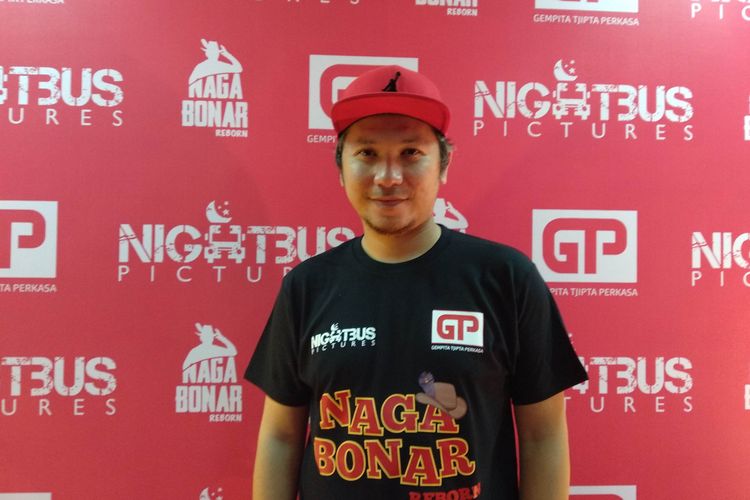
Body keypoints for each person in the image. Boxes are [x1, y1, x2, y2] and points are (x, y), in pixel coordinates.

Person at [245, 65, 588, 499]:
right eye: (367, 153)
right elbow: (281, 436)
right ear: (341, 168)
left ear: (443, 165)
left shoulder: (506, 278)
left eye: (411, 152)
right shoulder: (306, 286)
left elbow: (543, 436)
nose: (388, 177)